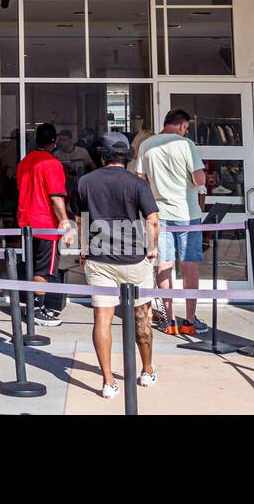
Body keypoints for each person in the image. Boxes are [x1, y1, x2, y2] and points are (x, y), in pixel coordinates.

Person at [75, 132, 160, 398]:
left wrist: (84, 248)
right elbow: (153, 219)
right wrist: (153, 247)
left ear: (101, 156)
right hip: (135, 258)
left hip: (99, 259)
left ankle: (108, 381)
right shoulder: (137, 183)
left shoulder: (85, 182)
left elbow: (80, 220)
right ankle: (146, 371)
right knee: (141, 316)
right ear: (126, 157)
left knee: (102, 317)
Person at [137, 109, 208, 336]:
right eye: (186, 127)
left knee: (164, 264)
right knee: (189, 265)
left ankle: (168, 320)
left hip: (159, 212)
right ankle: (189, 319)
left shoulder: (147, 145)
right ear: (182, 126)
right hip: (187, 212)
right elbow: (199, 179)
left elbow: (141, 180)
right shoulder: (187, 145)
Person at [16, 123, 74, 326]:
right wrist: (65, 222)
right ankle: (37, 309)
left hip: (27, 222)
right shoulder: (52, 163)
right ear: (54, 141)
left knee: (32, 267)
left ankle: (33, 307)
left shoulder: (25, 162)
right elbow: (56, 197)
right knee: (43, 270)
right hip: (46, 224)